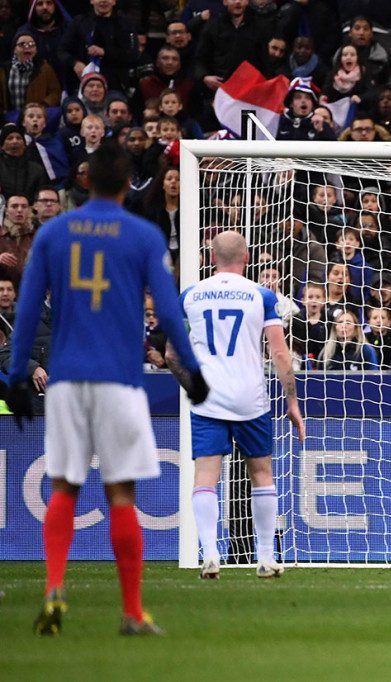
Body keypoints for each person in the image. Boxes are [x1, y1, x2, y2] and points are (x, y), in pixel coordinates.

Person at [6, 141, 208, 636]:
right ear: (128, 185)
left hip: (66, 379)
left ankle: (55, 588)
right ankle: (132, 612)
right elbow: (167, 310)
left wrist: (16, 376)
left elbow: (27, 308)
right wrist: (193, 371)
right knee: (120, 493)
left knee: (64, 486)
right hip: (119, 380)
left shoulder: (53, 233)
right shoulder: (142, 235)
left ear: (85, 180)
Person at [171, 230, 304, 581]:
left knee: (205, 477)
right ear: (247, 257)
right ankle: (266, 557)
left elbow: (170, 354)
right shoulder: (262, 295)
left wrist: (194, 388)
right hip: (251, 399)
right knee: (261, 474)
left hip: (208, 399)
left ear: (212, 258)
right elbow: (279, 353)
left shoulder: (190, 295)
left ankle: (210, 553)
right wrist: (292, 401)